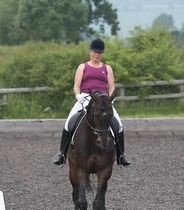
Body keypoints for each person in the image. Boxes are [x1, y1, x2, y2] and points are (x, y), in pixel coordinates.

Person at [52, 38, 131, 167]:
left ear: (102, 53)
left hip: (103, 100)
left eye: (99, 52)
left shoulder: (107, 68)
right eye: (95, 52)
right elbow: (76, 85)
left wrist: (112, 98)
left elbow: (111, 86)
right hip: (85, 98)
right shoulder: (83, 67)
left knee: (119, 125)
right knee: (68, 123)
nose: (97, 55)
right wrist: (79, 96)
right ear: (90, 51)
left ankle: (122, 155)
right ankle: (62, 154)